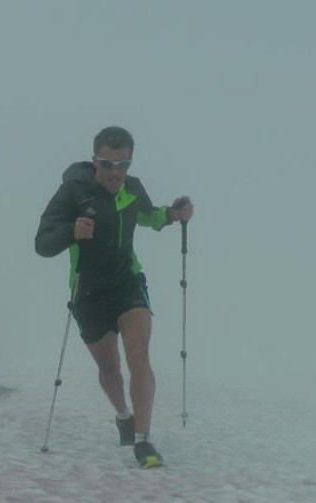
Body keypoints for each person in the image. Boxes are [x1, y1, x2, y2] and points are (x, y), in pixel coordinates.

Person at [34, 126, 194, 468]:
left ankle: (142, 440)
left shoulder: (133, 189)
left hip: (127, 283)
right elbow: (42, 243)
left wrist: (174, 213)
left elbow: (149, 216)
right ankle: (123, 414)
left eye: (123, 164)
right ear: (95, 161)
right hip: (88, 291)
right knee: (109, 367)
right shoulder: (73, 192)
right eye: (108, 164)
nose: (116, 173)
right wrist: (70, 232)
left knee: (138, 354)